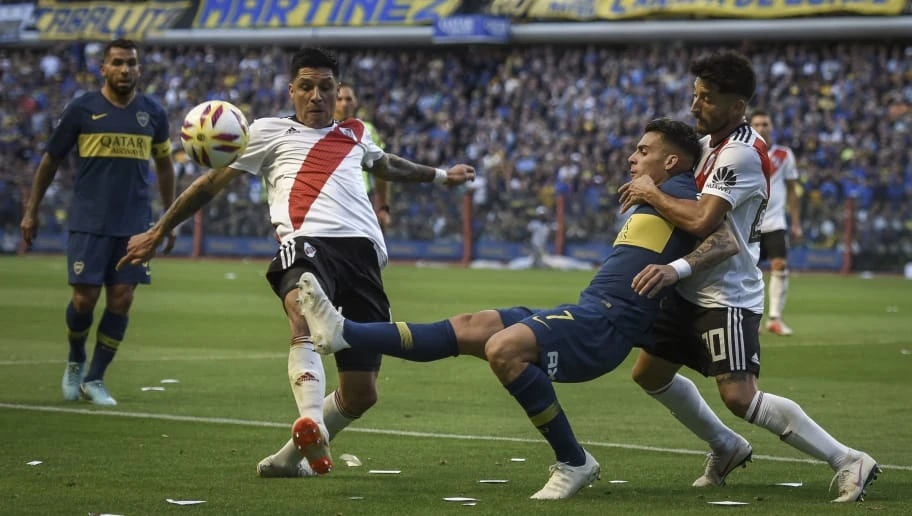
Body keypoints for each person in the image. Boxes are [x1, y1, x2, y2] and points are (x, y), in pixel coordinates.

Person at [297, 119, 740, 499]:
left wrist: (662, 220)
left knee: (504, 349)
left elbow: (721, 236)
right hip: (587, 308)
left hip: (604, 327)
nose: (632, 159)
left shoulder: (683, 193)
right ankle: (344, 332)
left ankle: (574, 461)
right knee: (471, 326)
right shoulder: (664, 192)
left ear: (672, 161)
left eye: (643, 151)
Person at [116, 46, 475, 477]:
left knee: (362, 393)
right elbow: (210, 184)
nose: (316, 96)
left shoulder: (355, 133)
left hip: (364, 258)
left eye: (325, 87)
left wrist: (442, 176)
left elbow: (388, 166)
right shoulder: (265, 132)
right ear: (292, 91)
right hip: (308, 243)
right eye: (306, 87)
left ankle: (288, 460)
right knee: (302, 310)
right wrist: (160, 229)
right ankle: (311, 417)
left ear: (338, 91)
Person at [618, 51, 879, 503]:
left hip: (727, 293)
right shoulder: (710, 145)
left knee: (740, 396)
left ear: (737, 106)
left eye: (707, 98)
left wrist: (651, 192)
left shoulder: (739, 153)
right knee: (650, 374)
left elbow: (702, 220)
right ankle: (726, 446)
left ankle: (848, 459)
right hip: (689, 286)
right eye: (695, 95)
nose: (695, 105)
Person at [19, 39, 175, 406]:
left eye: (131, 63)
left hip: (134, 224)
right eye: (117, 63)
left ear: (139, 69)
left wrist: (168, 219)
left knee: (122, 298)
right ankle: (76, 358)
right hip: (89, 220)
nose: (125, 69)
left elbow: (165, 166)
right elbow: (50, 160)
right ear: (103, 68)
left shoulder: (153, 113)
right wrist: (31, 209)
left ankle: (95, 378)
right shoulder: (82, 109)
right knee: (84, 298)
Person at [749, 110, 802, 336]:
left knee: (780, 266)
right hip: (749, 222)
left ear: (772, 127)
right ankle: (751, 320)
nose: (762, 127)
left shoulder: (784, 154)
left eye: (765, 123)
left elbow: (792, 190)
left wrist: (796, 223)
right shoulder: (745, 151)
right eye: (757, 124)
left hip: (775, 221)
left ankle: (774, 319)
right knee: (748, 271)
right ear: (751, 127)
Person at [334, 83, 391, 230]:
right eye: (339, 99)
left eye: (348, 99)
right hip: (329, 203)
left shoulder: (367, 130)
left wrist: (383, 207)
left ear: (355, 102)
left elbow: (382, 171)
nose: (344, 104)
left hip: (360, 200)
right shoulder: (318, 130)